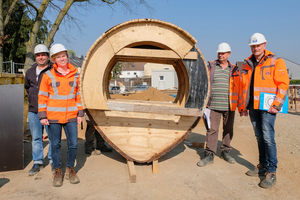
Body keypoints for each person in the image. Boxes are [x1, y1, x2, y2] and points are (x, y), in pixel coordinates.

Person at [239, 33, 289, 189]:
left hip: (268, 107)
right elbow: (244, 87)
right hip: (253, 107)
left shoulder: (275, 62)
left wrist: (276, 104)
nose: (255, 48)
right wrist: (243, 107)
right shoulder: (247, 64)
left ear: (264, 45)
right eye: (253, 46)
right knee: (259, 137)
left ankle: (271, 171)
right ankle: (262, 165)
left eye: (258, 45)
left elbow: (283, 84)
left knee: (268, 138)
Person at [38, 43, 84, 187]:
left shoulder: (76, 74)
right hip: (53, 117)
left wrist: (80, 112)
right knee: (55, 144)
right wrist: (42, 115)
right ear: (54, 59)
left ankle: (71, 169)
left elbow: (78, 95)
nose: (62, 59)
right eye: (58, 57)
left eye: (63, 55)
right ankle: (57, 171)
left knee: (73, 144)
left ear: (67, 56)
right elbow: (42, 97)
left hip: (71, 115)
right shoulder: (47, 76)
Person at [197, 43, 240, 167]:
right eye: (219, 53)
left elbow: (240, 86)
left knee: (228, 129)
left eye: (223, 53)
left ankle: (226, 151)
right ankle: (210, 154)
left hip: (229, 105)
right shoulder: (211, 66)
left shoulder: (234, 69)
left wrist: (241, 106)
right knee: (212, 130)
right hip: (213, 105)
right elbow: (203, 82)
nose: (220, 55)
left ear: (229, 54)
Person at [25, 44, 53, 176]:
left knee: (53, 137)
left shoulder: (54, 70)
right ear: (35, 57)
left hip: (49, 110)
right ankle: (38, 162)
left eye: (43, 55)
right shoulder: (30, 71)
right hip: (33, 110)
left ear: (48, 56)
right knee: (36, 138)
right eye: (38, 55)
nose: (41, 57)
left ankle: (54, 161)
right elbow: (27, 87)